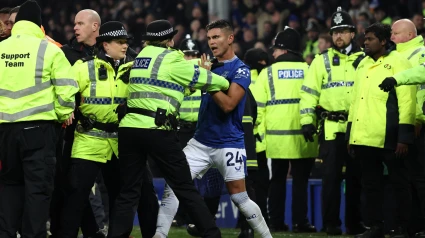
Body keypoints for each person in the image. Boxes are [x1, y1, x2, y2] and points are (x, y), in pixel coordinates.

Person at [107, 19, 229, 238]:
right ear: (169, 40)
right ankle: (212, 234)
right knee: (184, 187)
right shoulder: (172, 58)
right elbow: (211, 81)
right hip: (157, 129)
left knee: (128, 193)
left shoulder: (141, 57)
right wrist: (224, 81)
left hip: (129, 130)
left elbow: (169, 85)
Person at [155, 19, 272, 238]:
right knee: (174, 185)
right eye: (209, 38)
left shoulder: (241, 70)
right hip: (200, 142)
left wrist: (207, 78)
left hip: (229, 143)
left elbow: (228, 105)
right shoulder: (205, 65)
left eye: (216, 37)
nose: (211, 42)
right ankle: (159, 235)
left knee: (240, 198)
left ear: (230, 38)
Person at [0, 1, 78, 237]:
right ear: (39, 24)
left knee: (9, 188)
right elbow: (67, 91)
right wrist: (62, 117)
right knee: (38, 191)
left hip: (4, 132)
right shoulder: (50, 50)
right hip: (39, 130)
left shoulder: (1, 48)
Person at [58, 21, 132, 238]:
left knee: (119, 197)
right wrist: (67, 109)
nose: (125, 46)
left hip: (119, 142)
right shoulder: (84, 66)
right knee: (76, 197)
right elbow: (65, 90)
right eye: (120, 42)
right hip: (88, 140)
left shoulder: (133, 67)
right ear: (105, 45)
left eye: (126, 42)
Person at [299, 6, 366, 236]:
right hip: (330, 128)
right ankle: (331, 224)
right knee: (331, 180)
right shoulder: (321, 60)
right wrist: (307, 120)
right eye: (335, 32)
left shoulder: (364, 59)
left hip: (358, 128)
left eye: (343, 31)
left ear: (352, 33)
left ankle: (355, 223)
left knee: (357, 179)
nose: (338, 36)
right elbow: (308, 93)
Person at [348, 22, 416, 238]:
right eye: (365, 39)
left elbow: (408, 101)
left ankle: (405, 228)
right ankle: (375, 227)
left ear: (384, 41)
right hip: (364, 137)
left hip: (389, 135)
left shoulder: (399, 62)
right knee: (371, 186)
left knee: (399, 184)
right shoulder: (362, 64)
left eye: (370, 39)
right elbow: (354, 102)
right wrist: (352, 135)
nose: (365, 43)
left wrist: (404, 137)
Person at [257, 27, 318, 233]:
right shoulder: (310, 70)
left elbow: (258, 107)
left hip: (276, 138)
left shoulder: (267, 73)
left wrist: (260, 137)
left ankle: (276, 222)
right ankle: (301, 222)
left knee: (278, 180)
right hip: (305, 135)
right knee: (301, 181)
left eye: (275, 49)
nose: (272, 53)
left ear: (284, 50)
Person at [390, 19, 425, 237]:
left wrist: (418, 119)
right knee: (409, 179)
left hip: (419, 125)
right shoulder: (397, 56)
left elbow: (419, 88)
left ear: (409, 35)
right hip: (405, 124)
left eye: (395, 33)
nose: (391, 37)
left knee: (420, 179)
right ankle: (413, 225)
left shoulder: (420, 52)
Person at [243, 47, 270, 227]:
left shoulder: (242, 77)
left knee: (245, 182)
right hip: (261, 140)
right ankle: (261, 219)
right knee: (260, 182)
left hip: (246, 138)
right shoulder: (266, 76)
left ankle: (245, 221)